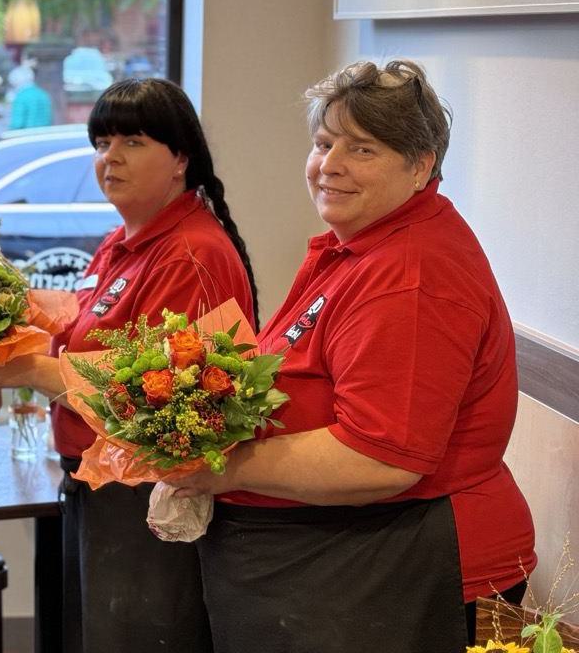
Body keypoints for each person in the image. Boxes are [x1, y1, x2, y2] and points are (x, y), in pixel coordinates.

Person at [174, 60, 536, 651]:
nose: (329, 166)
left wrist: (215, 469)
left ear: (420, 167)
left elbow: (379, 459)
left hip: (405, 562)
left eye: (362, 149)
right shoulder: (363, 247)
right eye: (323, 143)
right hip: (340, 555)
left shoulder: (411, 276)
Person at [0, 77, 257, 652]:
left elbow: (166, 403)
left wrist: (31, 373)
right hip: (93, 480)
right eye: (101, 143)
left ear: (180, 160)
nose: (109, 158)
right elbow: (85, 346)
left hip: (147, 495)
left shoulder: (193, 253)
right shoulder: (121, 241)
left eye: (133, 141)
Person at [7, 62, 53, 130]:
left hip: (26, 136)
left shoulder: (21, 97)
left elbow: (17, 124)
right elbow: (49, 119)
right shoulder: (43, 94)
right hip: (43, 135)